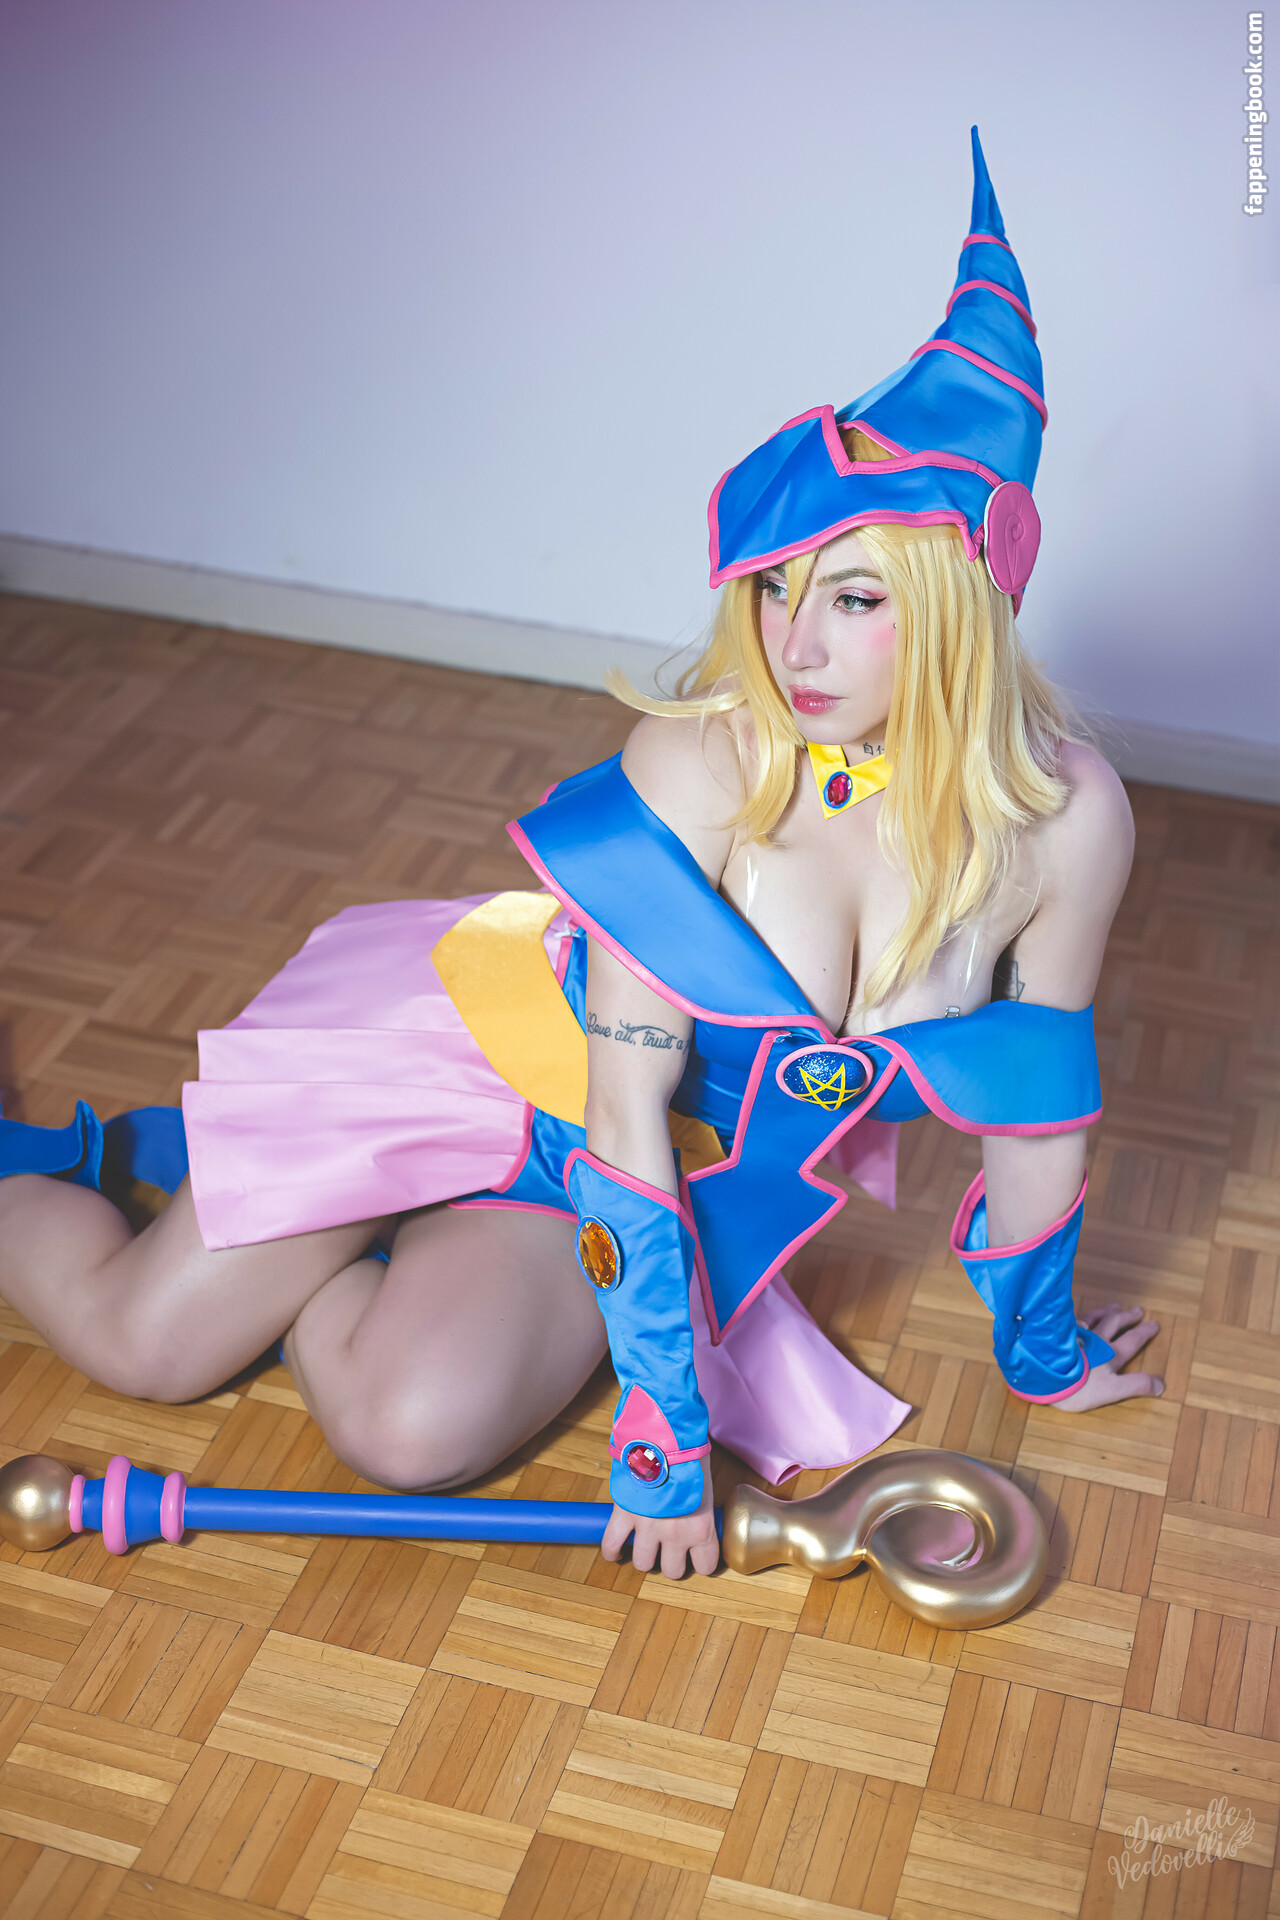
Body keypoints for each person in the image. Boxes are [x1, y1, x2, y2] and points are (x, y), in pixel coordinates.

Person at [0, 129, 1161, 1583]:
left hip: (622, 1186)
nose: (793, 646)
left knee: (410, 1431)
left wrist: (1045, 1355)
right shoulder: (700, 767)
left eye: (855, 600)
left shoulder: (1066, 820)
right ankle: (128, 1181)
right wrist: (662, 1434)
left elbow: (1036, 1114)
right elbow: (622, 1109)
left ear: (962, 607)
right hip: (498, 1074)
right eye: (776, 588)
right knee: (143, 1349)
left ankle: (352, 1233)